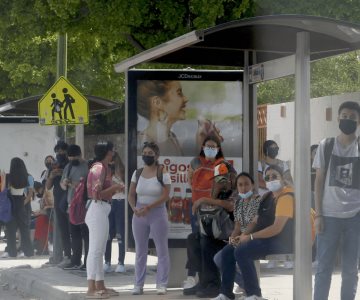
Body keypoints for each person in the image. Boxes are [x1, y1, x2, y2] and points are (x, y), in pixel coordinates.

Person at [216, 165, 294, 300]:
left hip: (281, 241)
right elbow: (255, 221)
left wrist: (250, 237)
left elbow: (277, 228)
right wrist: (242, 236)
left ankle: (254, 294)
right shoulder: (267, 197)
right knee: (229, 250)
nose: (271, 180)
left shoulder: (286, 197)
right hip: (265, 239)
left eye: (275, 176)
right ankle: (226, 294)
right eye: (268, 177)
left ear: (282, 179)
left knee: (242, 251)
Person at [313, 101, 360, 300]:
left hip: (355, 216)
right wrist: (318, 214)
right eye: (344, 116)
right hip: (329, 216)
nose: (347, 119)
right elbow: (319, 182)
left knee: (350, 270)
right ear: (338, 118)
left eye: (352, 117)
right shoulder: (326, 145)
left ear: (358, 121)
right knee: (323, 268)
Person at [185, 161, 237, 298]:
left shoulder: (237, 189)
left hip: (232, 235)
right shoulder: (219, 191)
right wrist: (216, 189)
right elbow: (213, 204)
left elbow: (230, 206)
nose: (221, 181)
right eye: (218, 178)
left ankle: (213, 284)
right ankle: (204, 282)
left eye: (224, 178)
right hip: (217, 232)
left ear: (231, 176)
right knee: (193, 239)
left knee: (207, 243)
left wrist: (204, 199)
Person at [213, 172, 267, 296]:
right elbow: (238, 225)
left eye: (247, 184)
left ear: (253, 185)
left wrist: (242, 237)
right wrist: (232, 237)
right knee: (220, 257)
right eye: (240, 185)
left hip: (253, 237)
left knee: (233, 254)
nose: (244, 188)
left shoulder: (258, 200)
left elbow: (253, 223)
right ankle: (227, 293)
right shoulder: (238, 203)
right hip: (241, 238)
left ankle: (251, 290)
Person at [183, 136, 226, 292]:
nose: (210, 148)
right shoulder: (195, 162)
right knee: (195, 243)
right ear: (202, 146)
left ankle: (214, 283)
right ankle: (202, 281)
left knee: (210, 246)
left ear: (218, 148)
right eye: (208, 146)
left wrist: (207, 201)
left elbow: (221, 187)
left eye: (214, 146)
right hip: (196, 209)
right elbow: (190, 182)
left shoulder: (221, 165)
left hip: (214, 211)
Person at [128, 142, 171, 295]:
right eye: (144, 152)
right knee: (140, 250)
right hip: (139, 213)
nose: (146, 155)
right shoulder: (137, 173)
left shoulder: (162, 172)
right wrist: (134, 208)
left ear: (156, 156)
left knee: (161, 249)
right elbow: (131, 194)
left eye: (150, 153)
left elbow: (166, 195)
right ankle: (138, 284)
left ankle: (161, 283)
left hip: (157, 213)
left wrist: (149, 207)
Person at [85, 141, 124, 299]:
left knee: (99, 250)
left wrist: (114, 190)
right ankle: (91, 288)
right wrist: (115, 188)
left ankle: (100, 285)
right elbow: (97, 194)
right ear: (109, 151)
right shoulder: (100, 168)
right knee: (95, 250)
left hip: (101, 209)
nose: (114, 151)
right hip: (98, 209)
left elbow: (101, 193)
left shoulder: (102, 167)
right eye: (113, 149)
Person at [60, 144, 89, 270]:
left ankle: (88, 262)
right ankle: (75, 259)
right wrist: (64, 183)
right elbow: (62, 185)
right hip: (71, 205)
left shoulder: (88, 166)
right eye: (70, 158)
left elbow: (86, 185)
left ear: (80, 155)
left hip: (83, 206)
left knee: (86, 235)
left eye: (74, 158)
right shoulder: (68, 166)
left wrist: (72, 183)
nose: (72, 161)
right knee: (74, 234)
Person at [46, 141, 71, 265]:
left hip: (70, 200)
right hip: (58, 200)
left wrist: (64, 174)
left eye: (62, 150)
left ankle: (75, 256)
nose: (60, 153)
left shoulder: (70, 164)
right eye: (58, 151)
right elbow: (48, 186)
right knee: (63, 229)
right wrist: (52, 175)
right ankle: (67, 255)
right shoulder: (54, 165)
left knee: (73, 228)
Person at [3, 158, 34, 258]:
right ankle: (28, 252)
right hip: (23, 204)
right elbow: (30, 195)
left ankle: (12, 253)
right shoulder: (29, 177)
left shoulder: (8, 177)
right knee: (24, 230)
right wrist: (23, 203)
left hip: (11, 204)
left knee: (10, 231)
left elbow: (3, 190)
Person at [104, 152, 126, 273]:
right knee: (108, 233)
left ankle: (121, 262)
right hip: (109, 202)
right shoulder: (105, 170)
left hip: (120, 201)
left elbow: (125, 186)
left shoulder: (121, 170)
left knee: (120, 233)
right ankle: (107, 261)